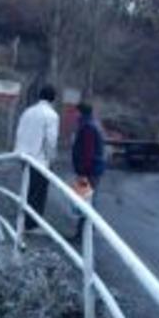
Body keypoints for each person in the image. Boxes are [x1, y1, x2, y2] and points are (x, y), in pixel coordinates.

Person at [13, 85, 60, 230]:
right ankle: (31, 224)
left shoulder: (28, 111)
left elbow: (19, 132)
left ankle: (22, 220)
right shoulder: (52, 115)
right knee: (38, 194)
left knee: (27, 190)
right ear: (53, 99)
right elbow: (50, 141)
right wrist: (51, 160)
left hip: (23, 155)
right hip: (39, 159)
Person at [71, 102, 106, 238]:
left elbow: (87, 152)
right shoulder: (91, 125)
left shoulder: (87, 128)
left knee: (84, 200)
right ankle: (83, 231)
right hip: (91, 169)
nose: (74, 115)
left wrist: (82, 171)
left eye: (76, 112)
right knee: (85, 199)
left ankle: (84, 232)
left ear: (80, 112)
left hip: (88, 171)